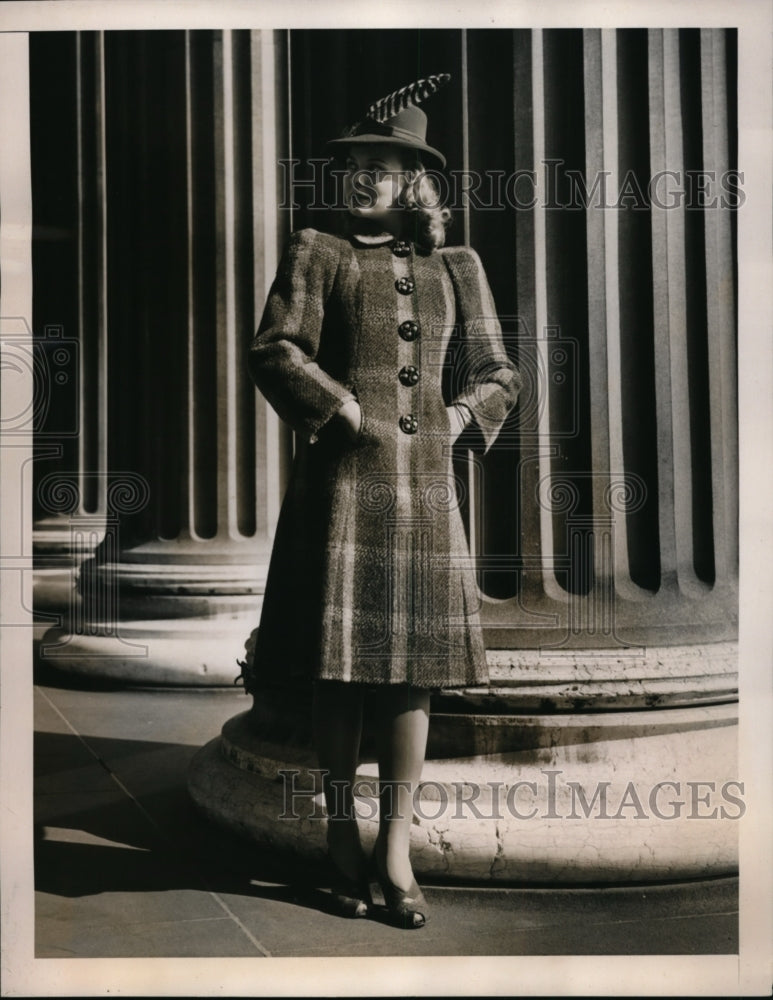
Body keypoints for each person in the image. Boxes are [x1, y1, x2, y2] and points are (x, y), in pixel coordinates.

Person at [248, 74, 521, 929]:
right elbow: (274, 351)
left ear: (415, 179)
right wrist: (343, 409)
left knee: (413, 681)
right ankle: (339, 833)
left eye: (386, 163)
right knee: (342, 676)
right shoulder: (316, 252)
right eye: (357, 162)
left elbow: (498, 372)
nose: (366, 175)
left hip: (425, 495)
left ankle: (394, 847)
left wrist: (458, 414)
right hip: (343, 489)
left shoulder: (456, 266)